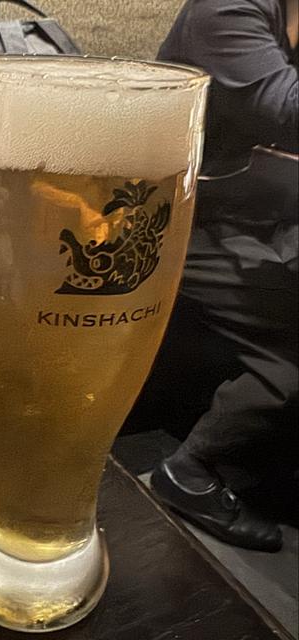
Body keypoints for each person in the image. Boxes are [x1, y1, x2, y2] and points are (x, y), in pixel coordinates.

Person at [146, 0, 298, 552]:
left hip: (244, 202)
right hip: (169, 214)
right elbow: (289, 111)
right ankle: (189, 470)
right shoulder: (224, 9)